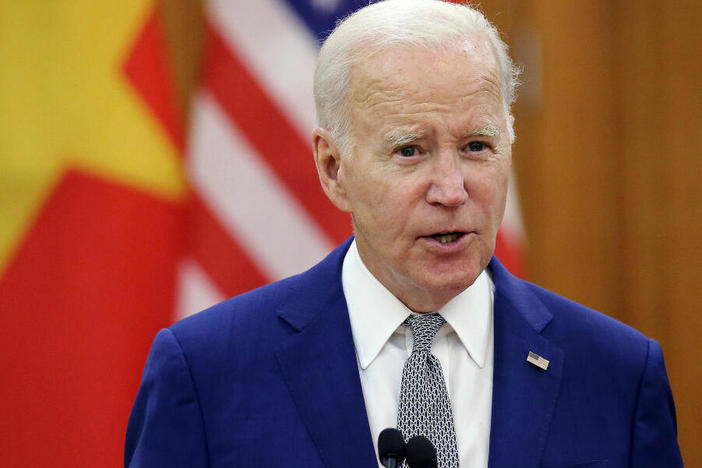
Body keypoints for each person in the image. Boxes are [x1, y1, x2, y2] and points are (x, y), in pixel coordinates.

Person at [124, 1, 683, 467]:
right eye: (410, 150)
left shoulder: (617, 375)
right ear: (333, 168)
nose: (451, 189)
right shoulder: (207, 373)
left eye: (476, 147)